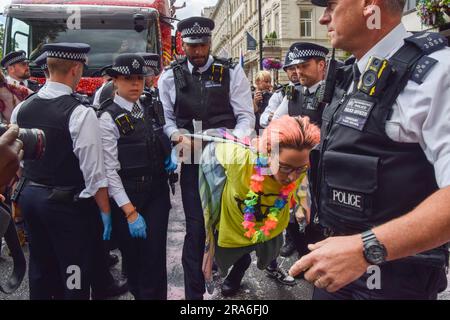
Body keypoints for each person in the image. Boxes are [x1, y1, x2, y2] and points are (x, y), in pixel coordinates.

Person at [289, 0, 450, 300]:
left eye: (332, 5)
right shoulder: (351, 74)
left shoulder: (438, 73)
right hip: (332, 265)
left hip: (394, 279)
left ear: (369, 6)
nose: (323, 19)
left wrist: (364, 249)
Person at [158, 16, 254, 300]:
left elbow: (245, 115)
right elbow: (166, 119)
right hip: (192, 156)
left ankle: (234, 270)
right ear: (183, 45)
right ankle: (194, 296)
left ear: (210, 43)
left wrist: (234, 141)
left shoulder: (231, 71)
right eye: (192, 46)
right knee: (196, 228)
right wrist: (177, 135)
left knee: (231, 222)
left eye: (203, 45)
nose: (198, 52)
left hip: (226, 158)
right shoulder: (170, 76)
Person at [11, 43, 112, 300]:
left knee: (41, 267)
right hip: (67, 206)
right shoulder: (79, 112)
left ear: (47, 68)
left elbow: (16, 161)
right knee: (74, 268)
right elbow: (94, 174)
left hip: (32, 198)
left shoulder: (21, 108)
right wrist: (105, 212)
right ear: (76, 69)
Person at [200, 116, 320, 296]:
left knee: (270, 253)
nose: (292, 177)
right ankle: (240, 268)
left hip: (272, 228)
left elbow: (301, 178)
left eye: (300, 169)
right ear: (268, 153)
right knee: (230, 258)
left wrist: (303, 200)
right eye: (285, 168)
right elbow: (213, 147)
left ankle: (272, 266)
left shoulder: (297, 165)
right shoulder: (240, 160)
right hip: (236, 227)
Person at [98, 53, 172, 300]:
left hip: (157, 194)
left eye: (139, 78)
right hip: (129, 197)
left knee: (155, 258)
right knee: (135, 261)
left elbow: (161, 137)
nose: (136, 84)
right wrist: (129, 212)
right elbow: (109, 171)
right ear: (115, 81)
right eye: (128, 78)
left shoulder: (148, 106)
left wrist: (170, 157)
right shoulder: (107, 117)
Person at [272, 42, 328, 125]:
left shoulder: (331, 94)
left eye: (305, 66)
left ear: (321, 65)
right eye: (297, 67)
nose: (299, 72)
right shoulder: (292, 92)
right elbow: (276, 122)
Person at [259, 51, 301, 129]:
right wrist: (270, 117)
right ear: (286, 71)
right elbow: (263, 119)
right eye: (291, 68)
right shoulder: (281, 93)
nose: (295, 71)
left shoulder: (311, 89)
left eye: (297, 67)